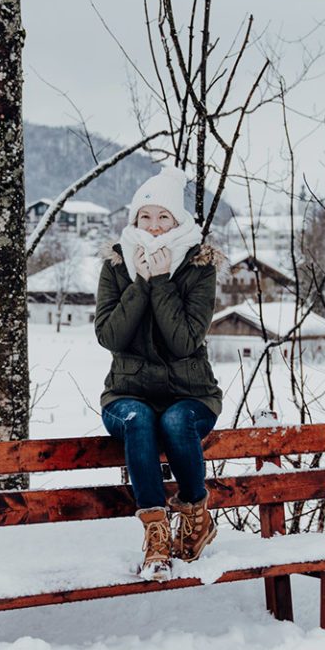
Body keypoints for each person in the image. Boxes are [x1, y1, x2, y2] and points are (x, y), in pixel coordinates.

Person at [94, 165, 223, 582]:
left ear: (178, 220)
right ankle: (156, 535)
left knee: (174, 420)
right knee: (140, 419)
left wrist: (162, 282)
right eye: (145, 216)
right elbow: (110, 335)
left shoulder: (199, 267)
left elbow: (184, 341)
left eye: (163, 217)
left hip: (191, 395)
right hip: (126, 394)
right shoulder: (118, 264)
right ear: (134, 219)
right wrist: (140, 285)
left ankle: (196, 514)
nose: (153, 226)